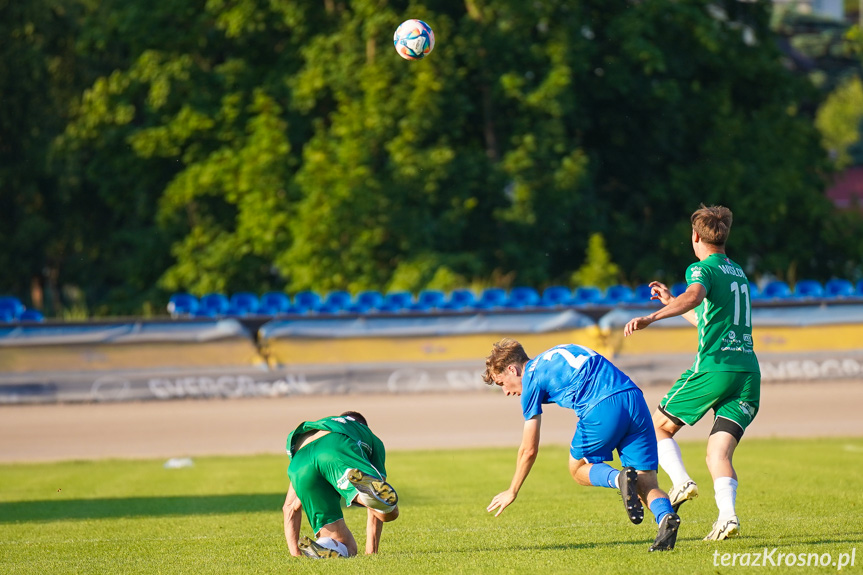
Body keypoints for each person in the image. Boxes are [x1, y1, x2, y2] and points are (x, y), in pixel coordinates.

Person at [623, 204, 761, 541]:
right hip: (747, 374)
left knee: (656, 427)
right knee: (718, 453)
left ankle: (681, 481)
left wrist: (652, 317)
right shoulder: (737, 271)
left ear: (696, 236)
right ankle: (728, 517)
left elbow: (693, 296)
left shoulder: (702, 269)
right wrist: (669, 300)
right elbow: (705, 318)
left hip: (716, 368)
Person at [483, 338, 681, 552]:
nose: (506, 392)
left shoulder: (530, 377)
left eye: (502, 383)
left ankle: (618, 479)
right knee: (646, 482)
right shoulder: (560, 350)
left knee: (577, 468)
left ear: (512, 369)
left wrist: (512, 490)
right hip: (634, 398)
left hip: (602, 405)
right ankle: (666, 517)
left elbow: (529, 449)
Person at [282, 411, 399, 558]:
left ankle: (325, 545)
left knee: (345, 544)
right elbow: (379, 497)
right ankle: (365, 495)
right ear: (362, 425)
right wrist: (371, 553)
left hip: (300, 461)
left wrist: (296, 556)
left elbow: (289, 508)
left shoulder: (324, 425)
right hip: (335, 446)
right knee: (389, 512)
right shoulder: (367, 435)